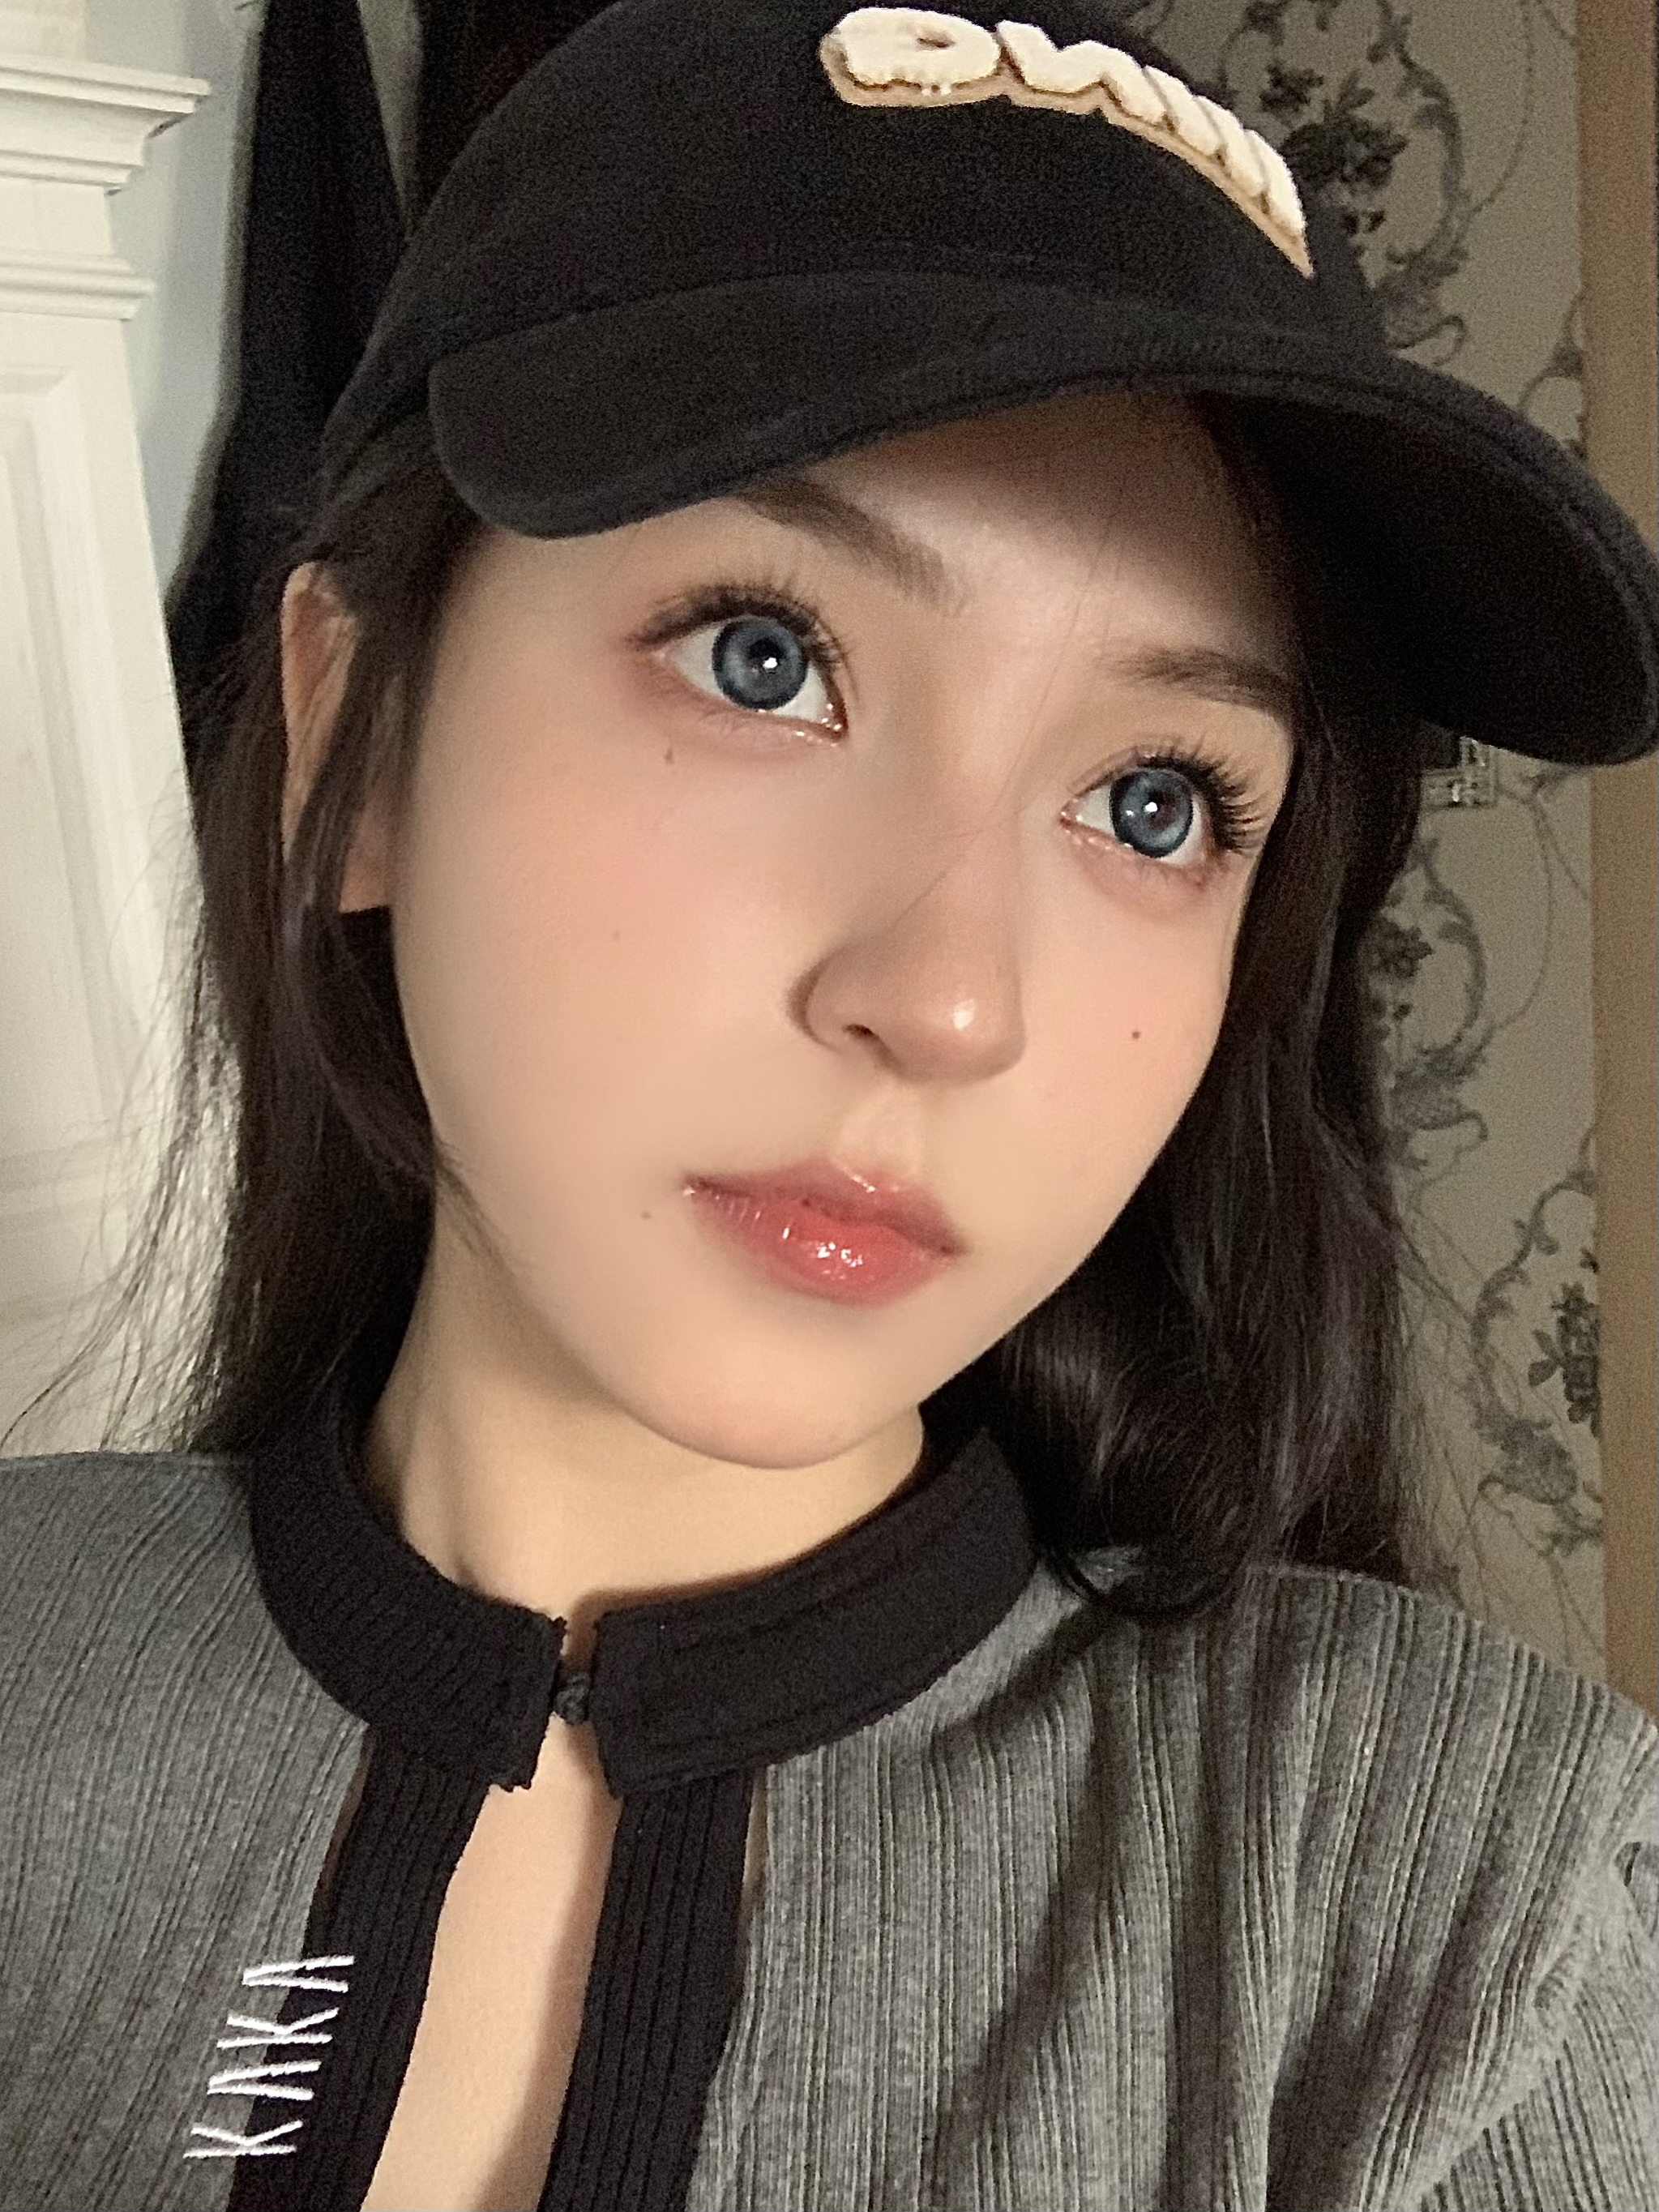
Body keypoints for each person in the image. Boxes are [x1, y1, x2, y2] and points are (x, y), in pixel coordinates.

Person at [2, 6, 1656, 2210]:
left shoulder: (1472, 1900)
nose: (953, 998)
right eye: (764, 657)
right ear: (358, 731)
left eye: (1156, 801)